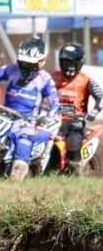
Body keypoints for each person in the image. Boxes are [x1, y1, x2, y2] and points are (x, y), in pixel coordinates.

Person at [0, 35, 60, 180]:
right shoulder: (11, 69)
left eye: (31, 64)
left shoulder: (45, 78)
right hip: (3, 114)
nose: (26, 67)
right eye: (23, 62)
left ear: (42, 61)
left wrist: (48, 118)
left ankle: (17, 175)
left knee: (24, 140)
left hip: (26, 120)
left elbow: (55, 102)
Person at [51, 43, 103, 173]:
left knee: (73, 142)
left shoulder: (86, 80)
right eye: (66, 62)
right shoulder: (54, 77)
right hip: (54, 118)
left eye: (73, 63)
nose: (69, 66)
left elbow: (100, 97)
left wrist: (94, 111)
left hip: (75, 122)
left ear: (79, 62)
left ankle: (76, 170)